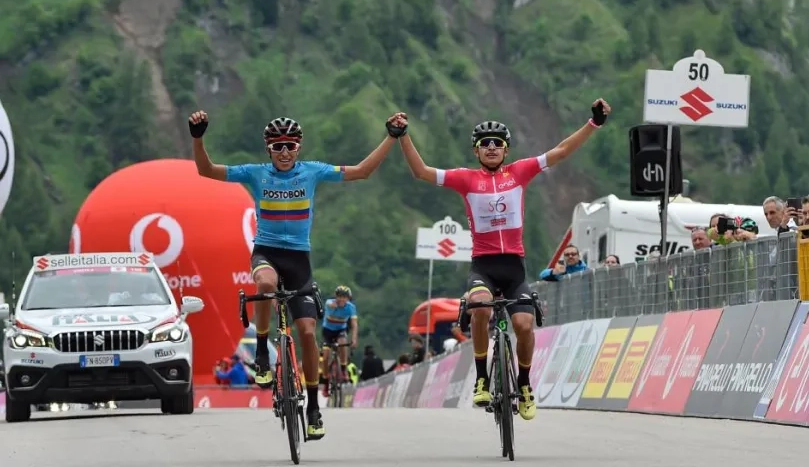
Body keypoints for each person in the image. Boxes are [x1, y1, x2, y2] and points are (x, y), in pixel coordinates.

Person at [188, 110, 405, 440]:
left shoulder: (313, 171)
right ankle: (262, 350)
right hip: (267, 253)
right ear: (268, 150)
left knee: (306, 332)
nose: (285, 152)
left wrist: (391, 136)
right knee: (264, 284)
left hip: (299, 260)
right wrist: (198, 137)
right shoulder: (256, 174)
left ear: (299, 147)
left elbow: (362, 171)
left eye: (290, 145)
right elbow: (206, 170)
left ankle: (314, 408)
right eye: (278, 147)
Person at [396, 99, 611, 421]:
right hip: (483, 266)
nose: (492, 148)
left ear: (507, 150)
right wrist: (402, 136)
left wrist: (594, 123)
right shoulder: (465, 179)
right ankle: (482, 377)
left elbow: (562, 151)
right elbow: (420, 172)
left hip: (513, 267)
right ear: (476, 151)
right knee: (480, 307)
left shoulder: (520, 171)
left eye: (498, 143)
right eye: (485, 144)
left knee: (524, 325)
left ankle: (524, 385)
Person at [320, 285, 358, 396]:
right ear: (336, 296)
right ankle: (326, 383)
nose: (342, 299)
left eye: (345, 297)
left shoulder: (351, 307)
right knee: (326, 357)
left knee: (342, 343)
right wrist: (334, 305)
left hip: (341, 329)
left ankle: (343, 368)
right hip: (328, 331)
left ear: (348, 298)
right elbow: (329, 304)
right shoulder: (329, 303)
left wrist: (354, 339)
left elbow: (354, 325)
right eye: (339, 296)